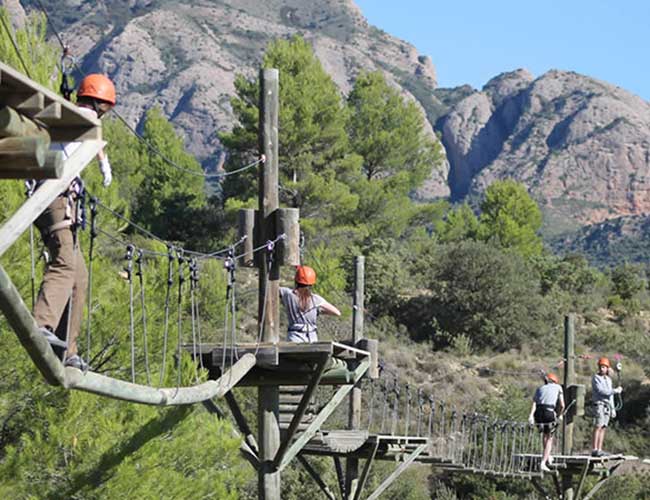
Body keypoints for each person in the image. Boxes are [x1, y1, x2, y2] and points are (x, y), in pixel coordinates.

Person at [33, 74, 116, 372]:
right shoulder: (84, 115)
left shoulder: (76, 117)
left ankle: (68, 350)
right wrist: (104, 163)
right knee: (65, 264)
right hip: (55, 200)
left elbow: (91, 134)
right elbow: (93, 129)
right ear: (102, 103)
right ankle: (42, 324)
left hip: (62, 201)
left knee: (79, 277)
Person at [280, 265, 340, 343]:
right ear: (312, 284)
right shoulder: (315, 299)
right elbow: (337, 312)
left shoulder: (287, 294)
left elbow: (272, 288)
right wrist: (317, 311)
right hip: (311, 338)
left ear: (296, 281)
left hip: (294, 337)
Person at [529, 372, 565, 472]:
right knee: (549, 438)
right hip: (549, 412)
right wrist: (559, 415)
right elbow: (562, 405)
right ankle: (543, 462)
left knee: (545, 435)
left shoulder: (540, 388)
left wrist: (531, 416)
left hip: (538, 414)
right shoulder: (558, 387)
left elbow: (534, 403)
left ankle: (547, 455)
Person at [591, 357, 622, 457]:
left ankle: (600, 449)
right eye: (601, 367)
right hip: (599, 404)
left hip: (607, 406)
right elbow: (601, 391)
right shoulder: (596, 378)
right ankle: (594, 449)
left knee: (604, 427)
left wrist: (613, 409)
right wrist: (615, 390)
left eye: (604, 367)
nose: (602, 369)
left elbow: (610, 396)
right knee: (598, 426)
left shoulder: (608, 380)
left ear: (607, 368)